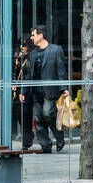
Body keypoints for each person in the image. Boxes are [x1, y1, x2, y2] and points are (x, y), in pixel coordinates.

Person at [28, 24, 67, 153]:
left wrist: (64, 88)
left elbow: (61, 70)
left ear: (41, 35)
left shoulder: (56, 50)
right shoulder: (32, 53)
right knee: (38, 119)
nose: (31, 37)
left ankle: (59, 136)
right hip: (36, 91)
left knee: (48, 114)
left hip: (50, 90)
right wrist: (24, 91)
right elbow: (29, 73)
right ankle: (45, 145)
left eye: (33, 35)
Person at [12, 35, 32, 150]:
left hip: (27, 89)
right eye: (20, 44)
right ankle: (27, 138)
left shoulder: (30, 57)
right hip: (18, 88)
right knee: (19, 113)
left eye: (24, 45)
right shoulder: (17, 56)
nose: (21, 47)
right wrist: (14, 83)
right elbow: (14, 73)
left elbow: (29, 74)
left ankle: (27, 141)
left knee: (25, 114)